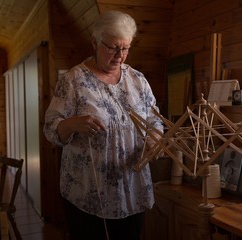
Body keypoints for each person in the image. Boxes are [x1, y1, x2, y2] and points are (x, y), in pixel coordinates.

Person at [43, 10, 163, 240]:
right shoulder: (73, 81)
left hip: (131, 189)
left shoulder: (138, 80)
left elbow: (154, 119)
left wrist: (154, 139)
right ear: (94, 42)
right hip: (87, 192)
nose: (120, 55)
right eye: (113, 47)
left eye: (126, 48)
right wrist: (72, 123)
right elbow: (50, 128)